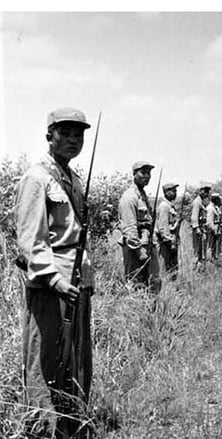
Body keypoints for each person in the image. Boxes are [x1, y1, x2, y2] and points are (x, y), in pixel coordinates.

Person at [15, 107, 94, 437]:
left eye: (79, 134)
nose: (74, 139)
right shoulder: (37, 178)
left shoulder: (71, 178)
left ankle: (71, 424)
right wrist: (55, 279)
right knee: (46, 361)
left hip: (77, 283)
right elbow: (30, 239)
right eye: (66, 132)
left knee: (75, 358)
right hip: (52, 285)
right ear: (50, 136)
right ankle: (42, 428)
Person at [118, 161, 161, 293]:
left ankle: (151, 312)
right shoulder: (130, 197)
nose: (146, 176)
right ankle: (135, 312)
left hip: (147, 244)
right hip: (135, 249)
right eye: (143, 172)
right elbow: (129, 227)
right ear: (134, 174)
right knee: (136, 284)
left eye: (149, 173)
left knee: (153, 282)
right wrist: (139, 250)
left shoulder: (142, 195)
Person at [157, 182, 180, 280]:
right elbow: (163, 227)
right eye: (173, 191)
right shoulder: (164, 206)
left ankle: (173, 285)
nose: (175, 193)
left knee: (172, 267)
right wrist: (169, 241)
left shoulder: (170, 206)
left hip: (172, 240)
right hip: (166, 242)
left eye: (176, 191)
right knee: (164, 266)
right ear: (166, 192)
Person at [191, 183, 211, 270]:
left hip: (202, 229)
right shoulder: (197, 202)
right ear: (200, 191)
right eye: (205, 191)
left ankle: (201, 269)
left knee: (202, 250)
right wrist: (197, 229)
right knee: (197, 250)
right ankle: (195, 270)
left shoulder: (201, 202)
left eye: (208, 191)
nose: (207, 193)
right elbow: (194, 217)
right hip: (199, 231)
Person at [206, 193, 222, 263]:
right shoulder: (210, 208)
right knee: (210, 247)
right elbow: (209, 222)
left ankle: (214, 260)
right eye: (218, 199)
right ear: (215, 200)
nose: (219, 201)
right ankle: (210, 262)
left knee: (215, 248)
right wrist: (215, 231)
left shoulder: (215, 208)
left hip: (215, 231)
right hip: (212, 232)